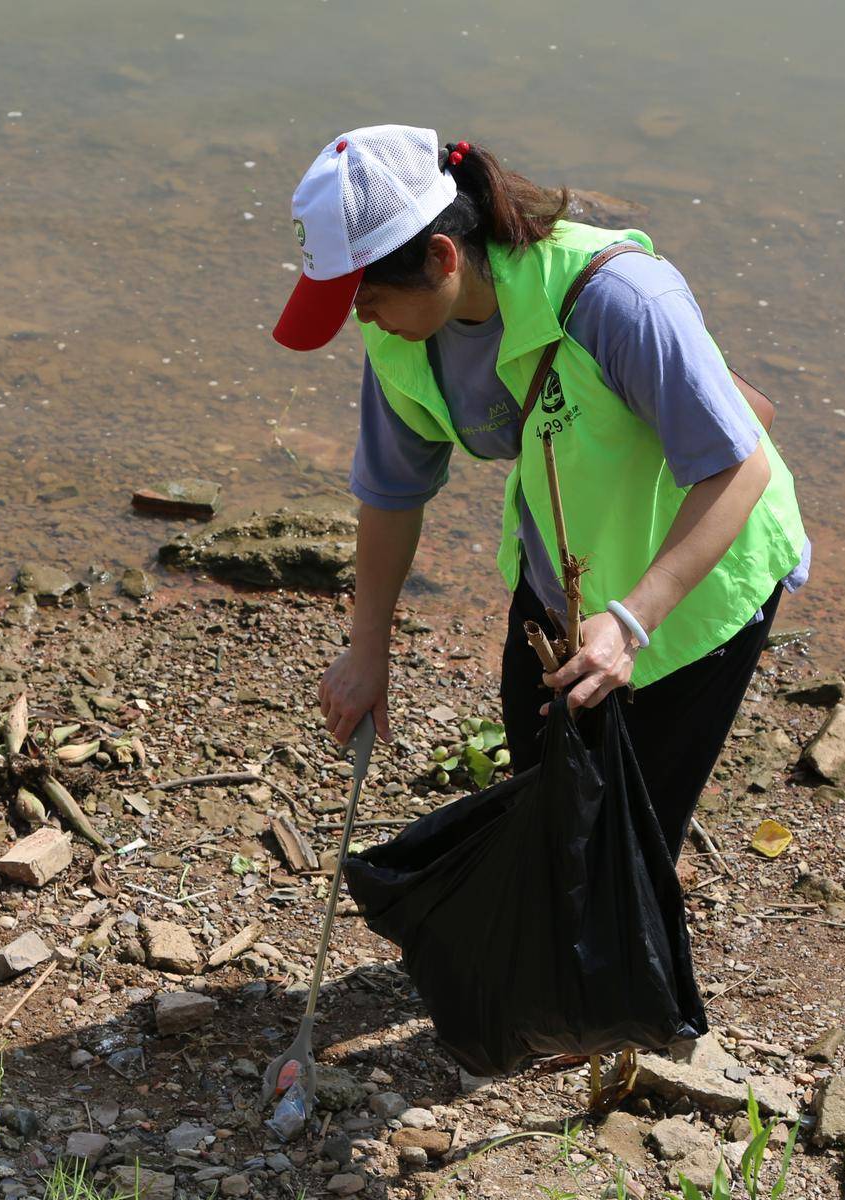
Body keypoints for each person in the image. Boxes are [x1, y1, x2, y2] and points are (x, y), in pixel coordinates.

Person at [276, 125, 810, 861]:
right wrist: (368, 651)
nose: (358, 320)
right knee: (548, 804)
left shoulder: (620, 299)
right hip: (564, 570)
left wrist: (627, 623)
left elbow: (738, 469)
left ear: (441, 256)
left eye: (364, 298)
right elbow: (393, 492)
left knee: (628, 833)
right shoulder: (399, 331)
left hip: (699, 579)